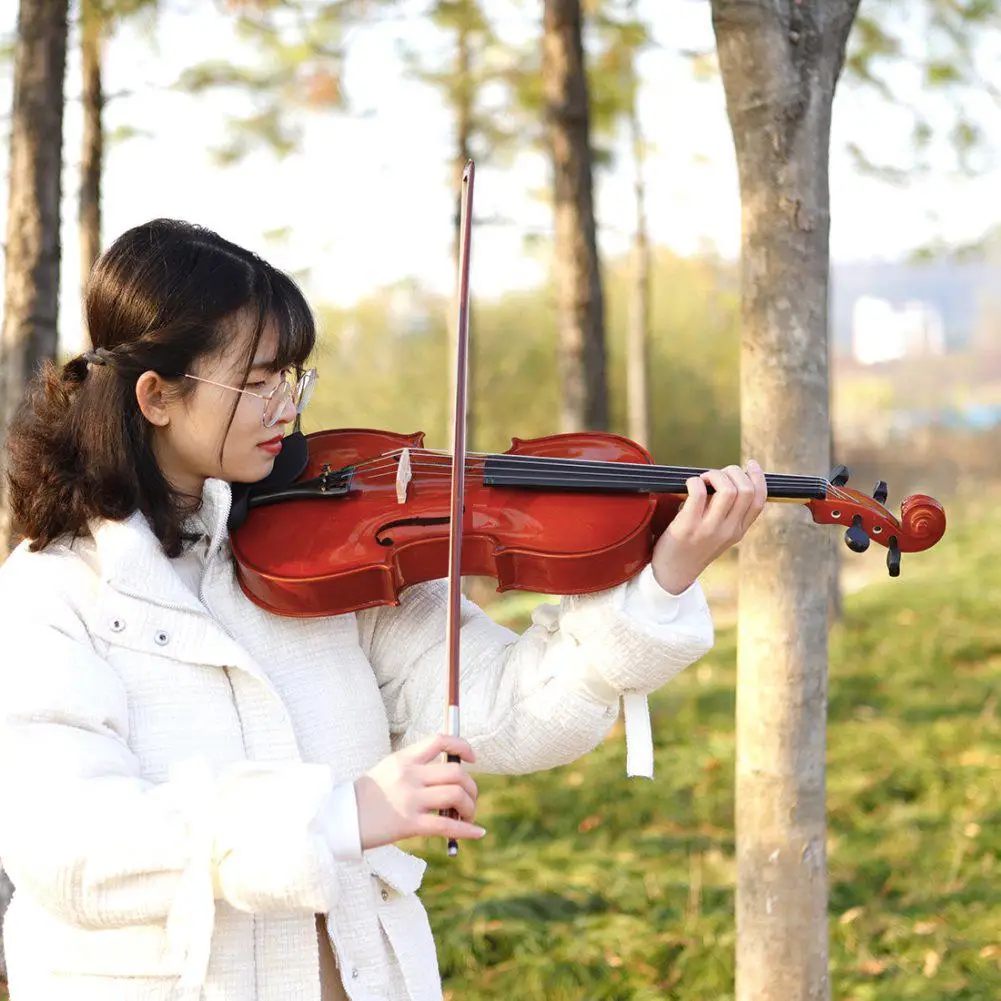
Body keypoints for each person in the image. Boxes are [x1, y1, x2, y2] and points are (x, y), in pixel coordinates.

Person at [0, 218, 766, 1001]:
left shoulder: (318, 551)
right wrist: (341, 815)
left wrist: (660, 579)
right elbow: (68, 846)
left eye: (294, 376)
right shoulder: (51, 594)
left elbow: (512, 713)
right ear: (157, 396)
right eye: (258, 381)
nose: (288, 407)